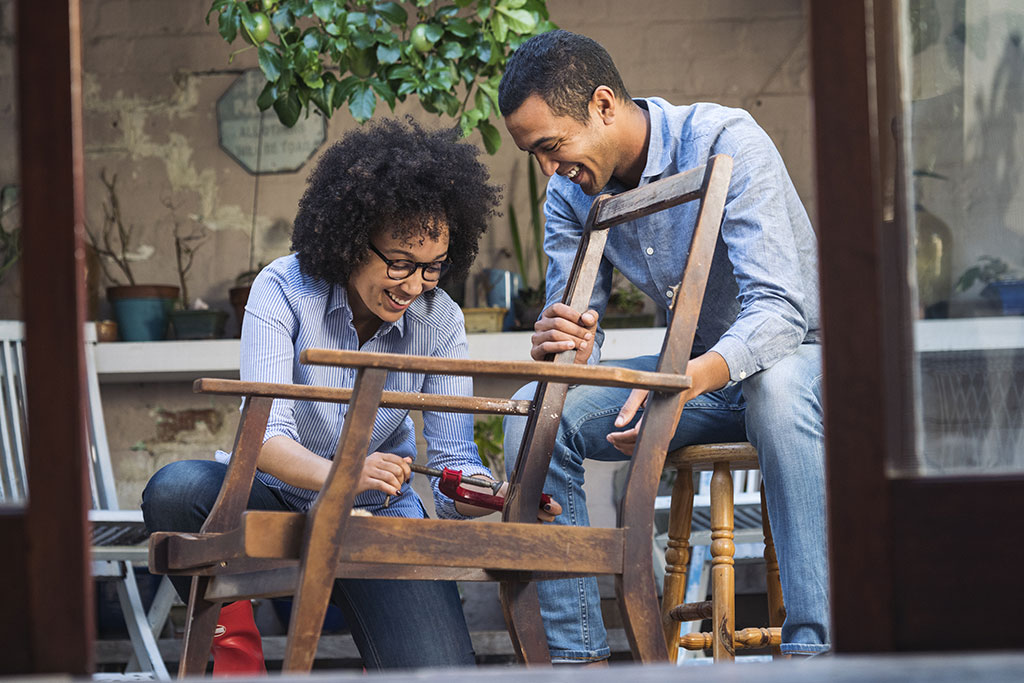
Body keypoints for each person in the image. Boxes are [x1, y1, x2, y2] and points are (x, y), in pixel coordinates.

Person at [498, 30, 829, 662]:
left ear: (602, 105)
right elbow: (575, 347)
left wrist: (682, 384)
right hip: (700, 378)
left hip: (801, 363)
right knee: (534, 417)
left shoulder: (724, 140)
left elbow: (781, 311)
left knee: (776, 388)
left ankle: (819, 654)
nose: (548, 169)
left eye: (551, 146)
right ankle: (576, 662)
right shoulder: (571, 193)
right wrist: (562, 346)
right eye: (533, 155)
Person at [142, 118, 518, 672]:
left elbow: (452, 463)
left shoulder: (441, 321)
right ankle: (235, 650)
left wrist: (491, 495)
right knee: (175, 492)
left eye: (432, 268)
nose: (413, 287)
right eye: (399, 263)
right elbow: (266, 437)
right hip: (271, 503)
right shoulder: (283, 288)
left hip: (375, 522)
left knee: (440, 672)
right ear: (349, 238)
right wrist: (345, 471)